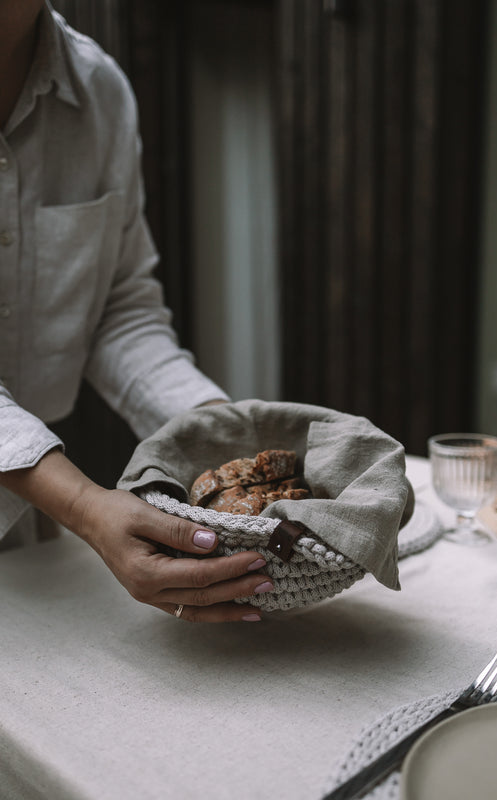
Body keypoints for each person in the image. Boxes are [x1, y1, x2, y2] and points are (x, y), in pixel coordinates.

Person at [0, 0, 273, 622]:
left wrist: (220, 433)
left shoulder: (100, 93)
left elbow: (118, 307)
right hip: (51, 498)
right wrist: (85, 506)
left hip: (28, 537)